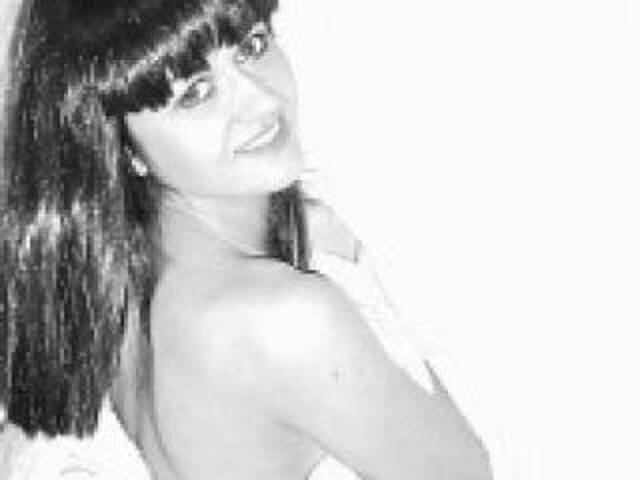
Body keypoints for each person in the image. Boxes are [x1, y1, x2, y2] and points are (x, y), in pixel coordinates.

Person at [0, 0, 493, 478]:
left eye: (252, 46)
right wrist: (353, 267)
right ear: (125, 149)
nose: (261, 101)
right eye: (195, 92)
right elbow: (469, 472)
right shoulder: (282, 317)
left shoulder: (105, 273)